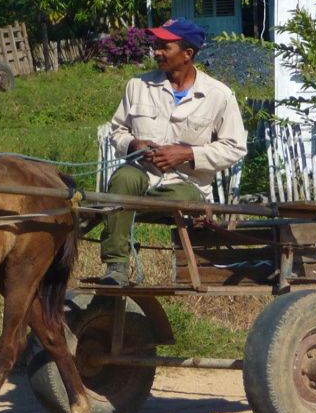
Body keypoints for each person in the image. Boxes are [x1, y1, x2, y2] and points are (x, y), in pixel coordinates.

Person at [100, 18, 247, 286]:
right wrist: (134, 145)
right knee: (123, 179)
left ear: (187, 54)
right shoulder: (138, 86)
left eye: (164, 47)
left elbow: (235, 147)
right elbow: (117, 131)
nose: (156, 52)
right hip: (143, 174)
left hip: (187, 183)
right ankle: (116, 267)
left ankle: (123, 209)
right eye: (156, 45)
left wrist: (188, 154)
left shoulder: (218, 95)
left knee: (175, 199)